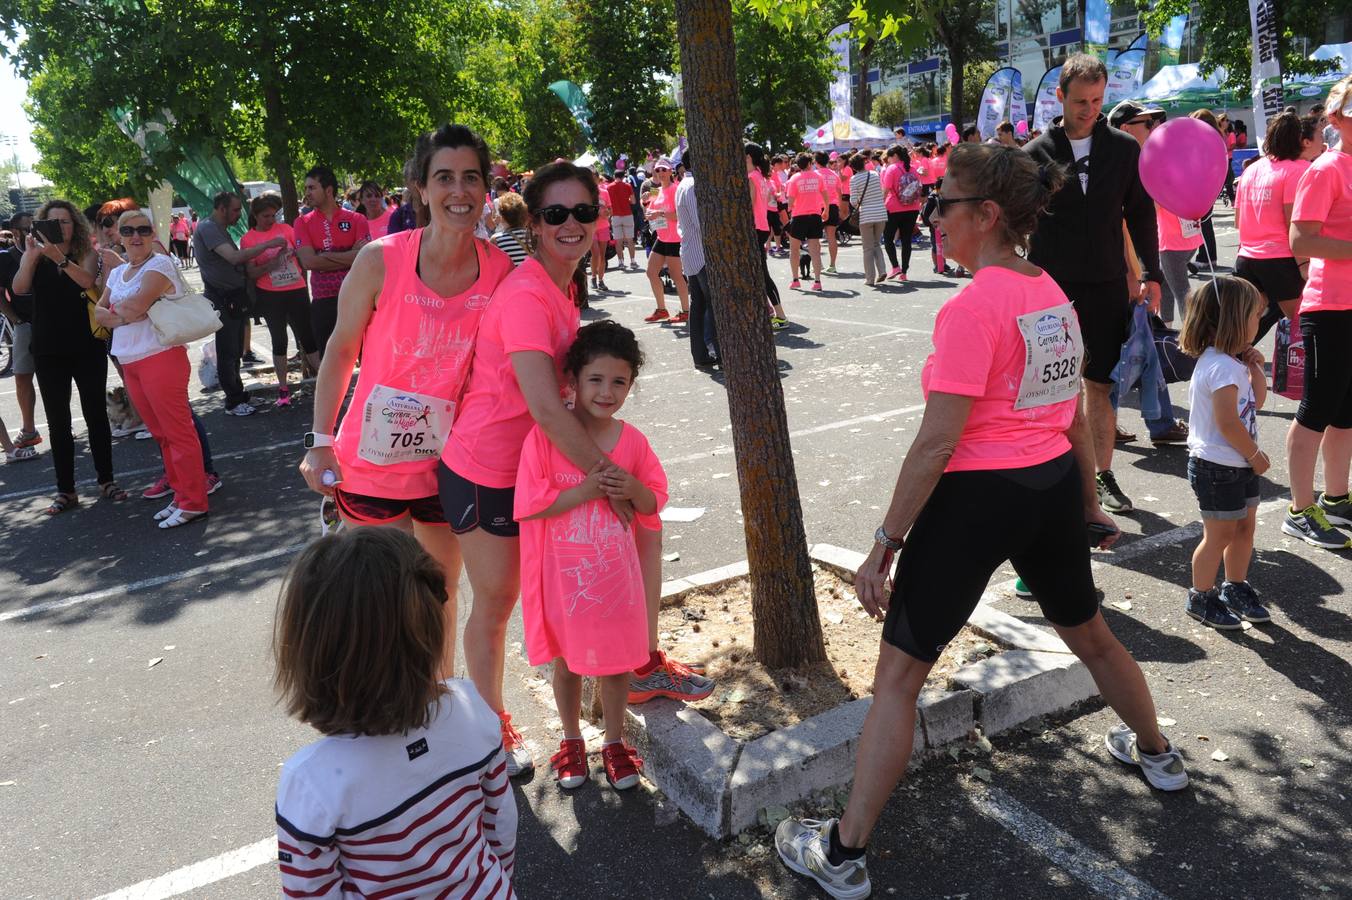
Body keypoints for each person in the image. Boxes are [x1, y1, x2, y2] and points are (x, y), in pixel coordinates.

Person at [775, 145, 1187, 899]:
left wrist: (884, 544)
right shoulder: (1049, 290)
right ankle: (1158, 753)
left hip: (978, 500)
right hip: (1050, 488)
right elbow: (1068, 413)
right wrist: (1085, 499)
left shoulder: (973, 306)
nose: (935, 217)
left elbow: (938, 443)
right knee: (1092, 634)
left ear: (987, 215)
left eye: (945, 204)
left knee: (897, 681)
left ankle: (841, 854)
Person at [439, 162, 712, 777]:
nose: (571, 223)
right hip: (487, 469)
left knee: (564, 592)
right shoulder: (528, 294)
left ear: (599, 218)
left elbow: (563, 401)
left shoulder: (558, 287)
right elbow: (543, 406)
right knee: (497, 604)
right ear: (533, 224)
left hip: (536, 466)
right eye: (555, 213)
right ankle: (490, 733)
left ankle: (633, 665)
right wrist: (611, 480)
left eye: (583, 212)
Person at [299, 123, 514, 677]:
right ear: (420, 187)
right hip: (371, 465)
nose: (459, 191)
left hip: (450, 466)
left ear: (486, 187)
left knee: (440, 591)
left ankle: (440, 699)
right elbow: (340, 351)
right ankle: (398, 709)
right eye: (444, 178)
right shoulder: (380, 259)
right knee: (387, 599)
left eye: (471, 178)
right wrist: (320, 441)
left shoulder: (499, 271)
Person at [273, 528, 517, 898]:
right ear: (428, 632)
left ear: (311, 654)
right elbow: (501, 825)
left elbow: (312, 891)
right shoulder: (471, 710)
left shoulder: (310, 782)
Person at [516, 321, 666, 791]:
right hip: (565, 586)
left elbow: (652, 503)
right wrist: (585, 490)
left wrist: (634, 487)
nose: (606, 392)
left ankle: (615, 742)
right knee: (567, 664)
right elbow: (530, 504)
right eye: (595, 379)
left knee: (618, 665)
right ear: (573, 381)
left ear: (631, 385)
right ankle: (571, 739)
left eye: (619, 381)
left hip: (617, 586)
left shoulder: (632, 441)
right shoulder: (545, 439)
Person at [1024, 54, 1163, 515]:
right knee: (1050, 390)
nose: (1090, 110)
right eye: (1081, 101)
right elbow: (1015, 221)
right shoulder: (1034, 155)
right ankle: (1056, 478)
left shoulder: (1123, 149)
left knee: (1099, 385)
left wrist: (1151, 272)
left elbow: (1140, 214)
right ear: (1060, 96)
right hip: (1050, 291)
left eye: (1098, 100)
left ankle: (1102, 476)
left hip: (1106, 285)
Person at [93, 210, 209, 529]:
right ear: (119, 235)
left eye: (143, 230)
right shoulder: (119, 272)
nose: (136, 236)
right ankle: (181, 496)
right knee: (161, 434)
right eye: (128, 230)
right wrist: (125, 314)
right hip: (130, 360)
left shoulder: (159, 264)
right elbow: (99, 312)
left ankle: (194, 502)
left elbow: (134, 306)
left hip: (161, 357)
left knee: (178, 432)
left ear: (152, 233)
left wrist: (121, 313)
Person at [11, 200, 128, 514]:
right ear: (42, 225)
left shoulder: (85, 252)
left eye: (65, 221)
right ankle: (66, 491)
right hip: (48, 348)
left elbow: (87, 281)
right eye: (53, 222)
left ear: (75, 224)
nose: (60, 227)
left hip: (86, 345)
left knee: (95, 414)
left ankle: (106, 480)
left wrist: (59, 258)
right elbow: (19, 288)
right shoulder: (35, 254)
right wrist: (31, 256)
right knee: (58, 422)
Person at [1178, 276, 1271, 629]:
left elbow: (1256, 402)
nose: (1260, 320)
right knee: (1219, 535)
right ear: (1234, 319)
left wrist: (1256, 367)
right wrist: (1255, 455)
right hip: (1217, 466)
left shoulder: (1232, 363)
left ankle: (1235, 585)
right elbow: (1228, 423)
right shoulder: (1220, 367)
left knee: (1244, 528)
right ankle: (1201, 596)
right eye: (1255, 315)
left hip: (1237, 464)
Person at [1283, 76, 1352, 550]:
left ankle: (1336, 497)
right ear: (1335, 119)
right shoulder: (1326, 169)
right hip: (1328, 306)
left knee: (1346, 412)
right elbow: (1300, 239)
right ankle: (1299, 510)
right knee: (1317, 409)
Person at [1234, 111, 1322, 343]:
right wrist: (1304, 263)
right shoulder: (1299, 169)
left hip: (1247, 257)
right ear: (1298, 139)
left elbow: (1238, 219)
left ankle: (1229, 361)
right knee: (1304, 326)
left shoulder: (1252, 169)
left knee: (1242, 328)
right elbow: (1295, 222)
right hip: (1281, 259)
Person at [194, 191, 283, 418]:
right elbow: (233, 258)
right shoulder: (208, 228)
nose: (238, 215)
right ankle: (233, 401)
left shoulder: (218, 228)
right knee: (227, 350)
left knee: (234, 350)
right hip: (223, 298)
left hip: (233, 296)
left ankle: (239, 395)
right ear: (222, 209)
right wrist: (268, 244)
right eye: (234, 210)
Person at [240, 194, 319, 407]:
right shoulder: (248, 239)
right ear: (256, 215)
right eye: (266, 216)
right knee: (279, 340)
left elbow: (303, 253)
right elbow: (251, 272)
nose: (271, 220)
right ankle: (283, 390)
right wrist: (271, 264)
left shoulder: (286, 229)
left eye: (273, 215)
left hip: (296, 289)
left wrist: (294, 254)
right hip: (270, 293)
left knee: (308, 337)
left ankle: (325, 382)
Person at [294, 165, 371, 357]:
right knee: (331, 363)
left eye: (312, 188)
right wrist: (350, 255)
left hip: (357, 298)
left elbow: (364, 258)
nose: (307, 193)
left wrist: (324, 255)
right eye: (306, 188)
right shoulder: (302, 222)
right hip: (324, 302)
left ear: (328, 190)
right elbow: (309, 262)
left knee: (368, 359)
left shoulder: (357, 219)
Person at [0, 211, 41, 453]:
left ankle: (62, 423)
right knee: (23, 376)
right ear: (15, 232)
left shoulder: (47, 251)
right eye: (29, 229)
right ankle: (29, 429)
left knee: (56, 375)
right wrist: (16, 321)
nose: (34, 232)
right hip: (24, 323)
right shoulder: (5, 258)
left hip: (52, 324)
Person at [674, 149, 718, 370]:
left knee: (699, 305)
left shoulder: (684, 184)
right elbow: (703, 223)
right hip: (700, 254)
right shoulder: (692, 186)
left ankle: (702, 354)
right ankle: (716, 351)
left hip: (692, 252)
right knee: (711, 305)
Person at [641, 158, 689, 324]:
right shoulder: (655, 190)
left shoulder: (676, 189)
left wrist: (659, 214)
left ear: (670, 172)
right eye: (657, 170)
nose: (660, 172)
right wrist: (645, 202)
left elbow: (679, 216)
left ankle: (686, 311)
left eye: (663, 169)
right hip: (661, 237)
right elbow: (648, 212)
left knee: (676, 276)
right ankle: (661, 310)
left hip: (675, 238)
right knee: (651, 272)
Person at [746, 142, 788, 327]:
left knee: (763, 275)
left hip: (755, 228)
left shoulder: (751, 177)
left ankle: (780, 316)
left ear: (748, 157)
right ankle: (770, 310)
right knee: (758, 273)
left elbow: (748, 204)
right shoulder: (759, 175)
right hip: (762, 227)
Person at [786, 152, 828, 292]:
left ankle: (795, 280)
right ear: (810, 163)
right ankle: (817, 281)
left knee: (794, 250)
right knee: (815, 250)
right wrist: (826, 209)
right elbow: (825, 195)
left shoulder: (794, 178)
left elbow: (790, 201)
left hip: (799, 216)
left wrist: (790, 208)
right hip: (815, 216)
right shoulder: (818, 176)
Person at [880, 145, 922, 282]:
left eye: (889, 157)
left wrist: (880, 204)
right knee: (906, 240)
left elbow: (886, 190)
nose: (888, 160)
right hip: (913, 207)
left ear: (895, 156)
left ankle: (895, 266)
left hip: (893, 208)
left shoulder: (891, 169)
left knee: (888, 238)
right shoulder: (913, 168)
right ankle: (904, 272)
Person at [848, 155, 887, 286]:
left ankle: (870, 278)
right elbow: (881, 191)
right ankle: (882, 270)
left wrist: (860, 201)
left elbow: (854, 201)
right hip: (881, 213)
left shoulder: (854, 179)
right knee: (876, 244)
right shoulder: (874, 174)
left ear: (853, 167)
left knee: (867, 248)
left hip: (866, 215)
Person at [815, 151, 843, 274]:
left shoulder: (815, 175)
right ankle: (832, 265)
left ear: (816, 162)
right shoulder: (834, 175)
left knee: (815, 238)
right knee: (831, 236)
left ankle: (818, 264)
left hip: (818, 207)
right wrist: (839, 208)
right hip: (833, 206)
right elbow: (840, 194)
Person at [607, 164, 638, 269]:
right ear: (623, 176)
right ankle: (633, 261)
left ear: (614, 176)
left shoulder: (609, 187)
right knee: (630, 240)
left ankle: (620, 262)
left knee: (618, 241)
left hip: (615, 216)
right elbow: (633, 201)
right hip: (627, 215)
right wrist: (627, 200)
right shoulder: (627, 186)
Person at [491, 191, 531, 267]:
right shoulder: (533, 237)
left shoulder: (496, 240)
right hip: (531, 274)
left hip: (509, 275)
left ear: (503, 218)